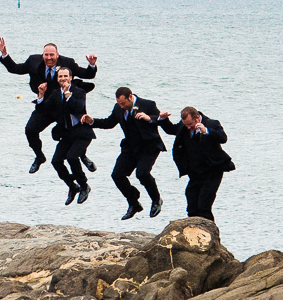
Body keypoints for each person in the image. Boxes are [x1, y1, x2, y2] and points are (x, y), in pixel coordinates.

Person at [0, 37, 97, 173]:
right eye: (46, 55)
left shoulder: (68, 62)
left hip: (64, 106)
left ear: (57, 55)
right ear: (42, 55)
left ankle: (83, 156)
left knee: (74, 132)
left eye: (51, 55)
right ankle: (39, 156)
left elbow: (87, 75)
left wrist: (91, 65)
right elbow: (15, 68)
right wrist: (4, 54)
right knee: (30, 130)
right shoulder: (33, 61)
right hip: (45, 105)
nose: (49, 58)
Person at [85, 86, 166, 220]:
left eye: (123, 103)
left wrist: (148, 118)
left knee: (142, 174)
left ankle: (156, 200)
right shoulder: (118, 108)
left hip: (149, 147)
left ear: (130, 97)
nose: (121, 106)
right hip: (130, 148)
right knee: (117, 175)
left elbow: (159, 119)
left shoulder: (148, 104)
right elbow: (109, 123)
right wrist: (92, 121)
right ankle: (134, 203)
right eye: (119, 104)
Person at [158, 105, 235, 221]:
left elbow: (223, 138)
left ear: (198, 118)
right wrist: (163, 119)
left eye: (190, 124)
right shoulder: (184, 126)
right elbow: (172, 130)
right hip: (195, 172)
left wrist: (206, 131)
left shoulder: (212, 124)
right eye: (186, 125)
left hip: (213, 171)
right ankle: (193, 232)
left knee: (204, 205)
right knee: (192, 204)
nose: (188, 127)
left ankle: (209, 233)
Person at [44, 67, 96, 205]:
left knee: (72, 157)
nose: (63, 79)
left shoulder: (79, 91)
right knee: (56, 161)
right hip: (67, 134)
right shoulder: (55, 93)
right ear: (57, 79)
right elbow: (45, 110)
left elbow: (78, 107)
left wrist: (68, 94)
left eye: (65, 76)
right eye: (60, 76)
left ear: (71, 78)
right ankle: (73, 186)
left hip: (82, 133)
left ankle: (84, 185)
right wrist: (41, 96)